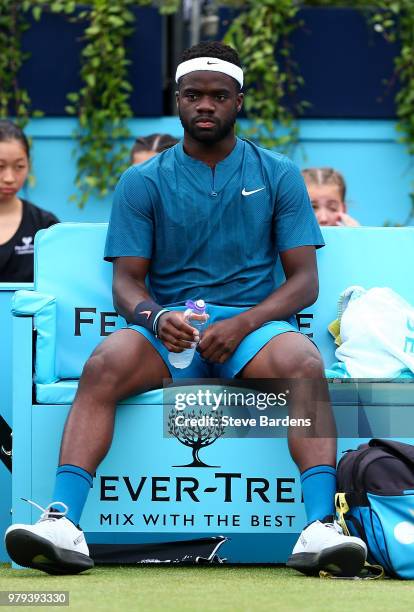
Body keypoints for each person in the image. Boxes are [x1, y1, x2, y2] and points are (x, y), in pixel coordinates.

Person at [5, 41, 367, 577]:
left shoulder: (278, 172)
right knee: (102, 363)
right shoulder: (142, 180)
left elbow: (305, 283)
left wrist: (243, 321)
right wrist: (155, 317)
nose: (205, 105)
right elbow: (126, 285)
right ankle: (63, 523)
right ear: (177, 100)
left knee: (306, 364)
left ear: (238, 101)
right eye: (192, 95)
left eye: (218, 95)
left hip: (253, 329)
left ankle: (319, 528)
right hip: (171, 329)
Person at [0, 120, 59, 282]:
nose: (9, 178)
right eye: (0, 166)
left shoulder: (45, 225)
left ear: (29, 165)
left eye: (19, 166)